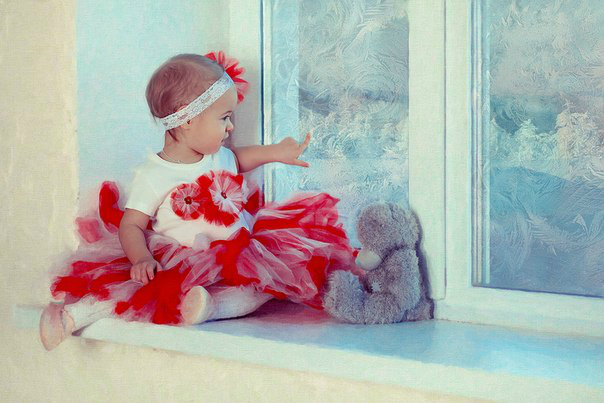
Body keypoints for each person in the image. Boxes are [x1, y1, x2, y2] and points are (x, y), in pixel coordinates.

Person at [39, 53, 355, 350]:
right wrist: (141, 259)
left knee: (259, 290)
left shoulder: (218, 155)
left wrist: (277, 152)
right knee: (136, 293)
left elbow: (240, 159)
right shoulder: (155, 174)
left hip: (237, 254)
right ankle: (70, 317)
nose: (231, 127)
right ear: (188, 119)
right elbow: (131, 224)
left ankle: (208, 306)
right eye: (224, 118)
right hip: (181, 261)